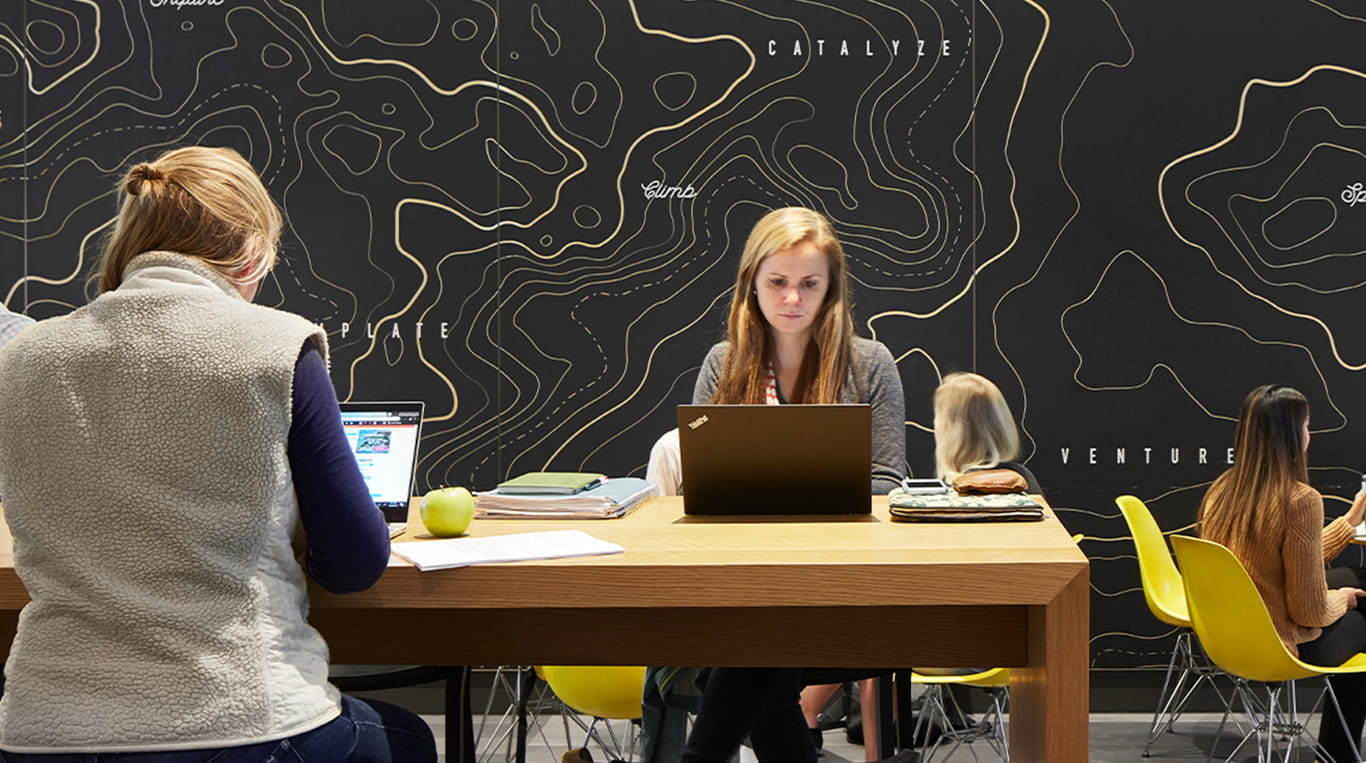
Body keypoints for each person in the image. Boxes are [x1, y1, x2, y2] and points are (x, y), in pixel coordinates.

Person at [0, 146, 437, 761]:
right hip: (237, 720)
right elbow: (357, 561)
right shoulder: (277, 343)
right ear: (254, 252)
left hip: (40, 731)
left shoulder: (24, 357)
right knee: (407, 741)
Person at [678, 206, 906, 763]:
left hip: (841, 579)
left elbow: (886, 480)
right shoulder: (723, 363)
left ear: (831, 289)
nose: (791, 299)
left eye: (809, 284)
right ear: (751, 283)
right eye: (777, 282)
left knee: (752, 652)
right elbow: (702, 483)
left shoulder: (869, 363)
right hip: (739, 577)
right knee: (766, 667)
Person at [1198, 384, 1366, 763]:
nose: (1310, 434)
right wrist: (1343, 600)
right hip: (1277, 641)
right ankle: (1337, 753)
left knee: (1352, 575)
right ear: (1292, 436)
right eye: (1307, 425)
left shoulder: (1222, 491)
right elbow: (1309, 611)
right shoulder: (1300, 499)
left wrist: (1349, 521)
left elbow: (1282, 560)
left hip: (1232, 634)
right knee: (1357, 608)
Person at [931, 371, 1041, 493]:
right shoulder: (1023, 478)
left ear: (953, 430)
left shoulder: (957, 494)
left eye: (938, 416)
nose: (934, 424)